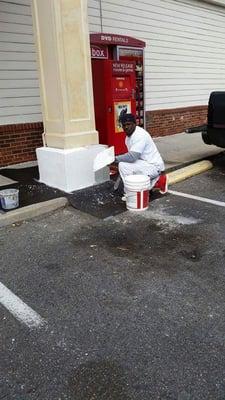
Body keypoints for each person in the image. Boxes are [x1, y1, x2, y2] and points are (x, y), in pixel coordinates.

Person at [114, 113, 168, 196]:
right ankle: (150, 185)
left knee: (123, 166)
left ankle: (132, 193)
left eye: (129, 124)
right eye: (124, 125)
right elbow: (132, 158)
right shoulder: (128, 137)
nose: (126, 127)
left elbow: (132, 157)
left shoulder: (140, 135)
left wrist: (114, 159)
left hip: (153, 166)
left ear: (135, 124)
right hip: (145, 163)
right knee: (125, 166)